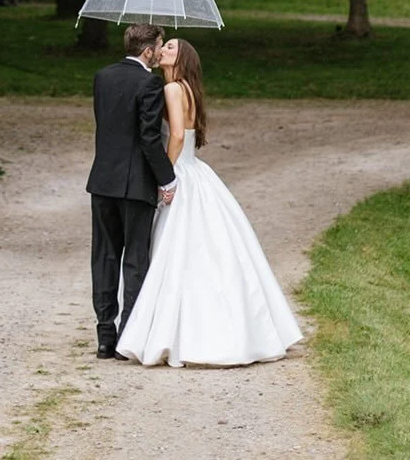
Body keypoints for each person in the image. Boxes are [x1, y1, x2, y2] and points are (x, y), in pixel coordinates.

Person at [116, 38, 303, 367]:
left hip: (181, 172)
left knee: (177, 251)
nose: (163, 50)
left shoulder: (173, 90)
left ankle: (178, 334)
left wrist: (166, 175)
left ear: (181, 58)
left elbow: (175, 136)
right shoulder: (189, 88)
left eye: (170, 48)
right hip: (197, 171)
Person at [86, 24, 177, 359]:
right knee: (135, 260)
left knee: (105, 256)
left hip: (102, 180)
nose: (160, 50)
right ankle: (128, 334)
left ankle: (104, 336)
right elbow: (149, 138)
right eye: (159, 45)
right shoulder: (149, 82)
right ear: (148, 51)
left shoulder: (102, 77)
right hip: (136, 183)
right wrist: (167, 179)